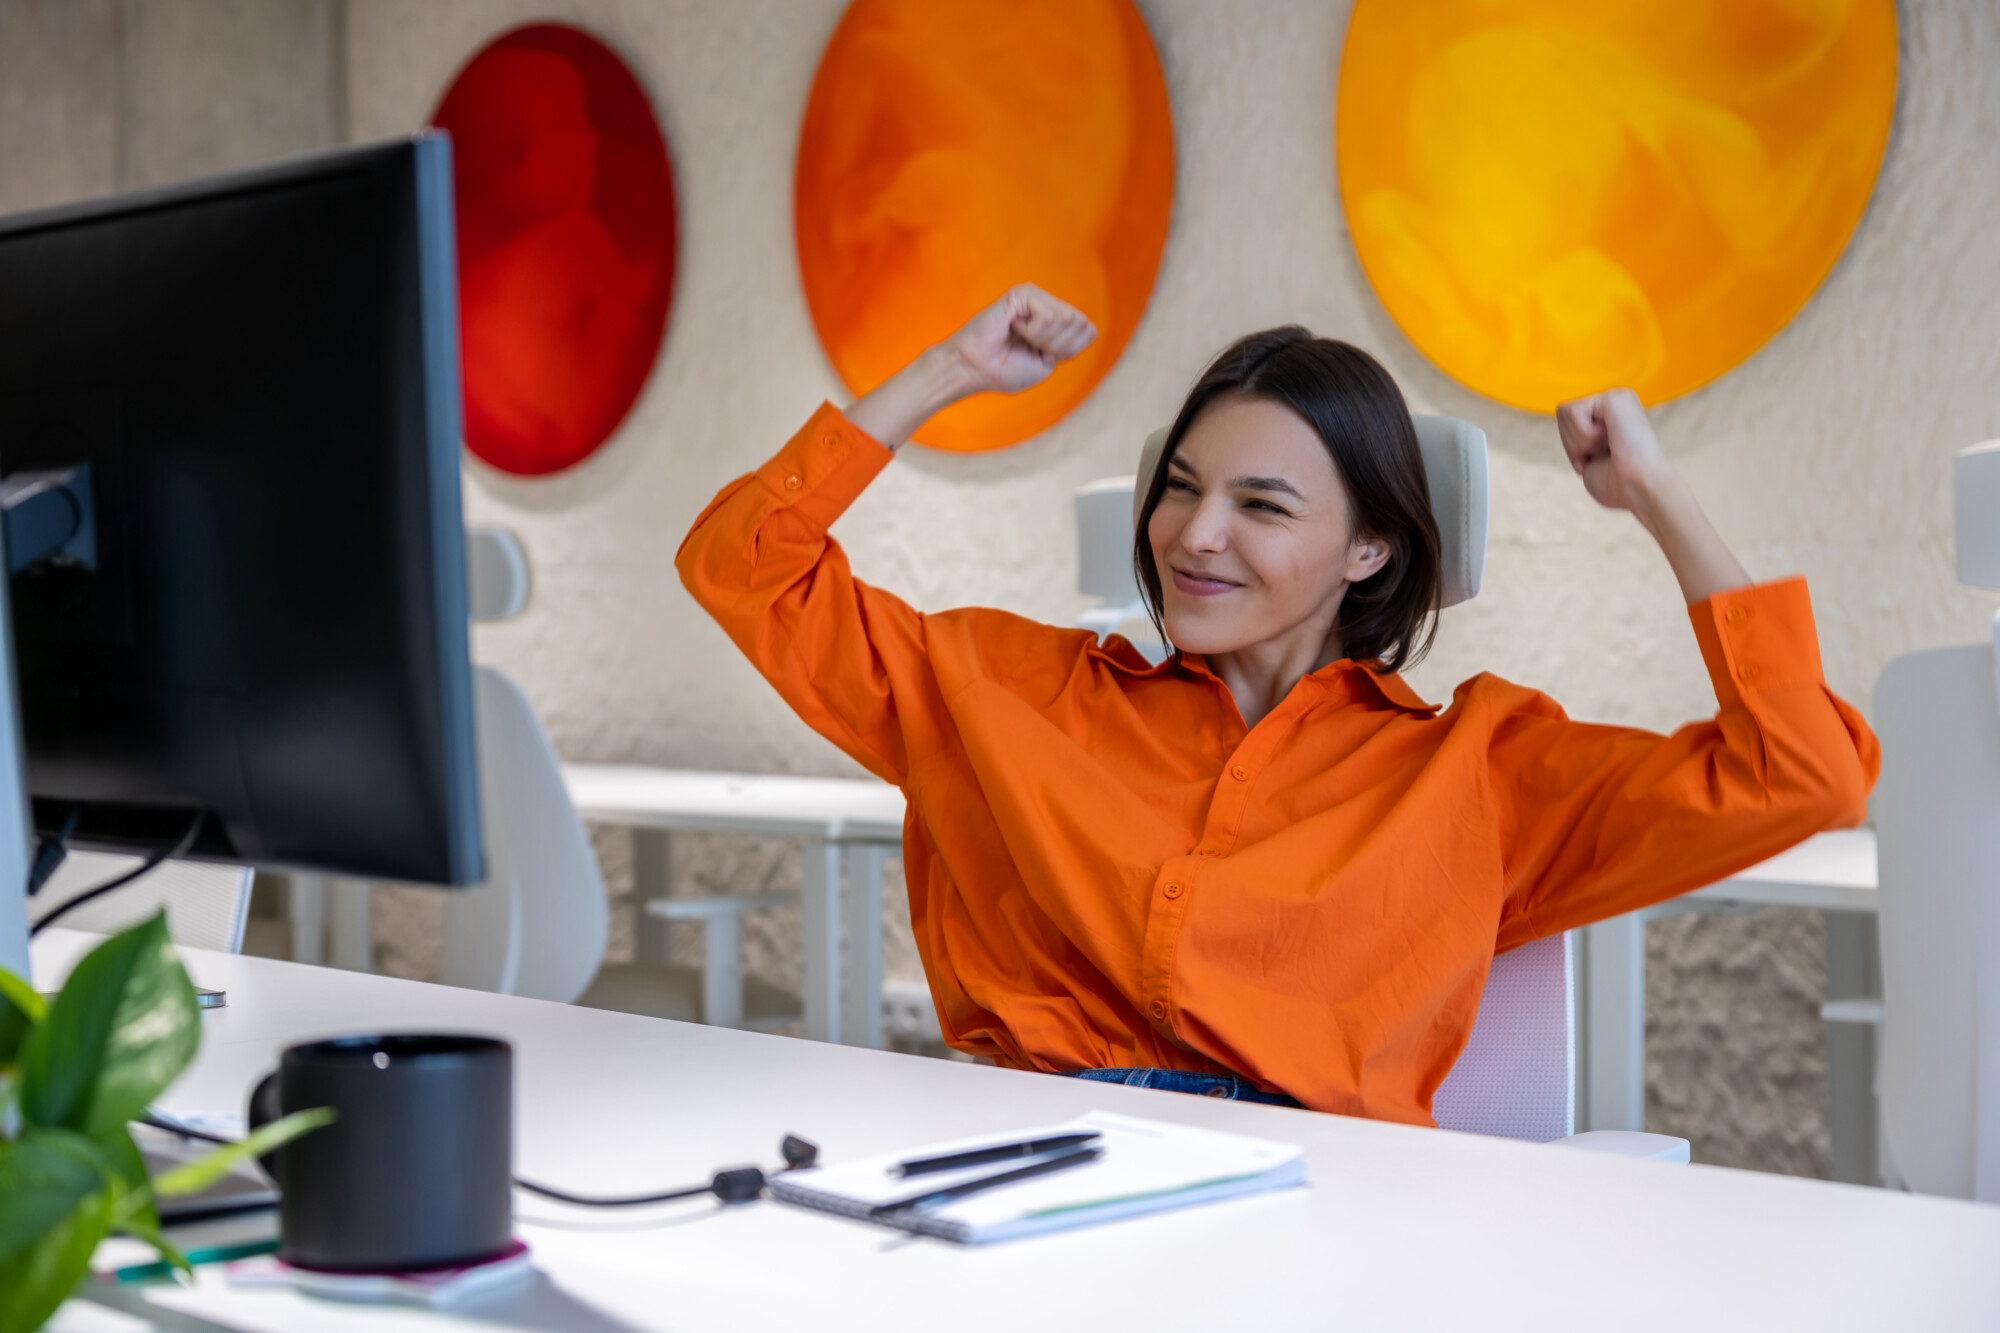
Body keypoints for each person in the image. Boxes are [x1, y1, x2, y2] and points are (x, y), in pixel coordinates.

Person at [679, 284, 1878, 1123]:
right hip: (1027, 1179)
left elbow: (1803, 771)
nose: (1194, 535)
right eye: (1182, 489)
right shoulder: (1004, 691)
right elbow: (741, 565)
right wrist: (950, 372)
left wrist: (1656, 496)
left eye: (1261, 505)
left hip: (1314, 1215)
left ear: (1367, 549)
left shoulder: (1478, 767)